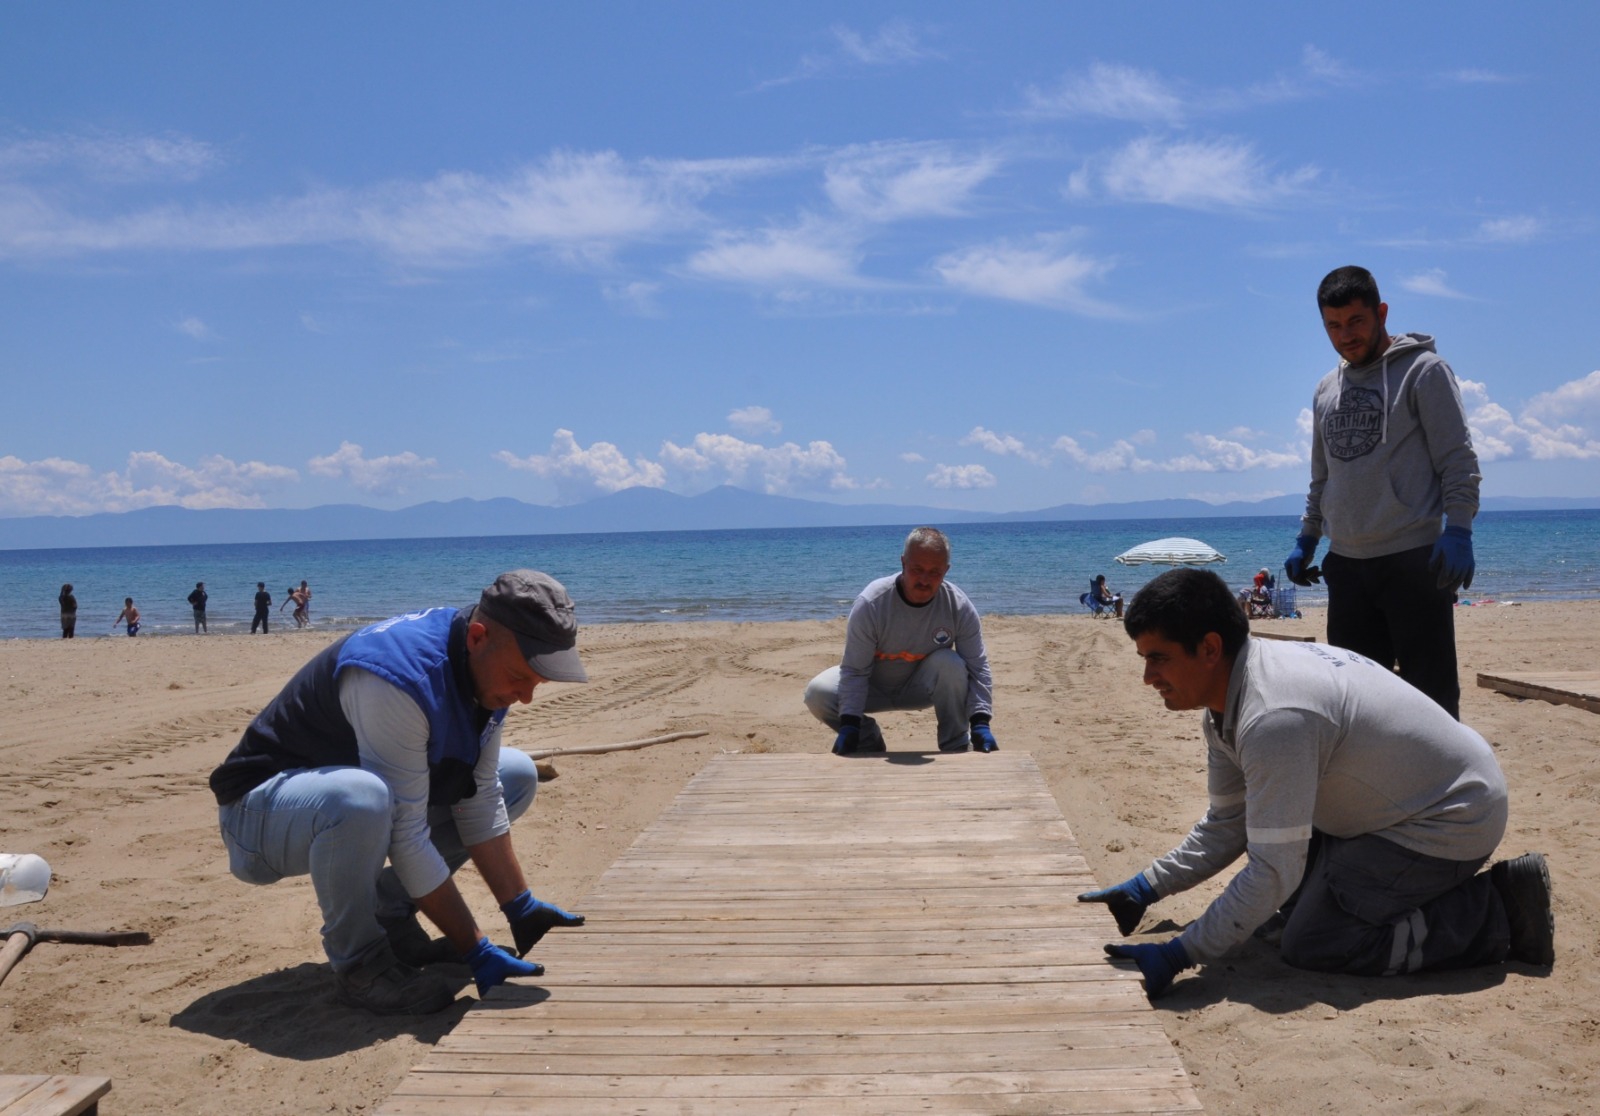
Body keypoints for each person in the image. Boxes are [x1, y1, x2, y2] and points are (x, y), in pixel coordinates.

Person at [1078, 568, 1553, 1001]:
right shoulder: (1230, 703)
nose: (1147, 678)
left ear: (1209, 648)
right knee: (1286, 907)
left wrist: (1180, 954)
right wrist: (1145, 889)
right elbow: (1230, 824)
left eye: (1158, 659)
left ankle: (1502, 909)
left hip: (1450, 816)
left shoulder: (1273, 717)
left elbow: (1272, 869)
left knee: (1317, 940)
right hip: (1395, 803)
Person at [208, 569, 590, 1015]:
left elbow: (481, 798)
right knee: (362, 798)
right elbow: (406, 835)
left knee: (517, 774)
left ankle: (389, 917)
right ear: (479, 638)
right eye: (519, 678)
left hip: (347, 808)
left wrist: (520, 907)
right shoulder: (398, 677)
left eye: (536, 683)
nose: (525, 697)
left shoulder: (483, 670)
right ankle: (360, 964)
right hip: (259, 818)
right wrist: (475, 948)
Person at [1284, 265, 1481, 719]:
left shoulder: (1424, 371)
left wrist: (1460, 531)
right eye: (1333, 326)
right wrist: (1307, 538)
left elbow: (1458, 459)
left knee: (1430, 700)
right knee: (1356, 703)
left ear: (1381, 312)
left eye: (1356, 321)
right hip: (1347, 566)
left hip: (1413, 561)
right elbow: (1322, 475)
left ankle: (1443, 787)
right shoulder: (1325, 389)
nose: (1345, 335)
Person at [803, 526, 997, 755]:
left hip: (920, 687)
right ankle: (867, 740)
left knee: (951, 663)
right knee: (817, 693)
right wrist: (849, 725)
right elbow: (855, 671)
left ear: (946, 570)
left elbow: (978, 668)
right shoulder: (872, 603)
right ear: (903, 563)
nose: (925, 579)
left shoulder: (958, 606)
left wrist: (981, 722)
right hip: (872, 685)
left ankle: (955, 744)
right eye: (917, 569)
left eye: (934, 572)